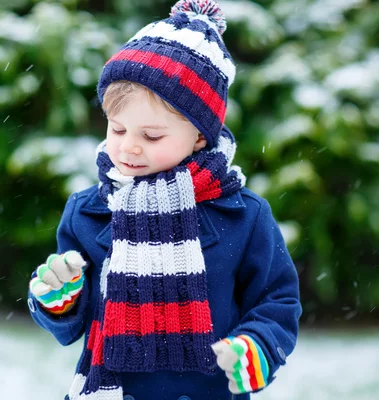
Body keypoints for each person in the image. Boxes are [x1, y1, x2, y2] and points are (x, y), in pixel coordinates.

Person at [27, 0, 301, 399]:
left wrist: (255, 347)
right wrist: (58, 299)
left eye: (151, 136)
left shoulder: (243, 216)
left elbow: (277, 300)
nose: (129, 148)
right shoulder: (90, 212)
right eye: (118, 129)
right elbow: (74, 323)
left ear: (200, 137)